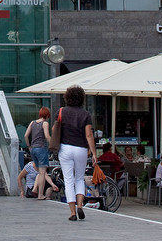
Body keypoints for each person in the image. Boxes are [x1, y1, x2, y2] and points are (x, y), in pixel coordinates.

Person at [59, 85, 97, 221]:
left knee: (68, 180)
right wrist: (93, 153)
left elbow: (56, 129)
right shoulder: (85, 114)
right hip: (81, 149)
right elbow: (88, 135)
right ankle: (80, 205)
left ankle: (73, 213)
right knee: (79, 178)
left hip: (65, 148)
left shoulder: (62, 112)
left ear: (67, 97)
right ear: (82, 98)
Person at [24, 107, 52, 199]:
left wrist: (29, 146)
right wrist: (53, 145)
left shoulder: (32, 123)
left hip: (33, 150)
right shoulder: (45, 123)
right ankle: (40, 195)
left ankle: (35, 189)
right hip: (41, 149)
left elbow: (26, 135)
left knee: (40, 172)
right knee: (42, 173)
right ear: (47, 115)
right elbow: (47, 136)